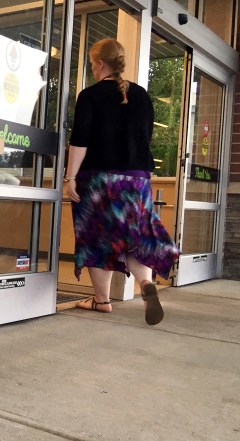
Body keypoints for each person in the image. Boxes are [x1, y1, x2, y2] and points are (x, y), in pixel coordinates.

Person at [65, 38, 179, 326]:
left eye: (92, 63)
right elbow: (145, 139)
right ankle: (144, 283)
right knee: (134, 237)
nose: (92, 68)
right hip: (137, 180)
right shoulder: (141, 95)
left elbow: (80, 142)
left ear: (100, 63)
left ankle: (102, 301)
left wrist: (71, 178)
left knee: (97, 238)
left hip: (100, 180)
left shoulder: (90, 96)